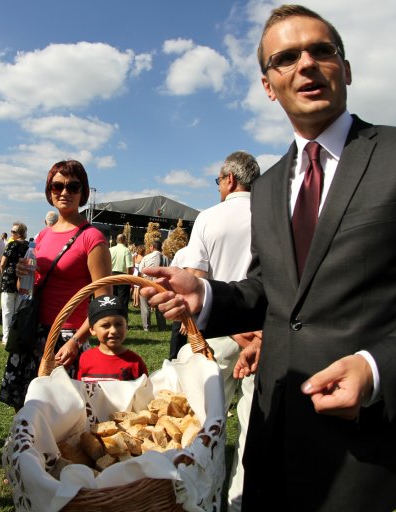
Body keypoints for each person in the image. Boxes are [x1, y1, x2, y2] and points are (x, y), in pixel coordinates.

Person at [140, 5, 396, 511]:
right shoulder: (265, 188)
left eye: (321, 50)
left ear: (345, 69)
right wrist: (209, 296)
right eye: (285, 58)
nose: (305, 64)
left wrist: (377, 368)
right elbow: (273, 291)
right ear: (268, 85)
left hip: (361, 442)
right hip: (270, 431)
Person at [178, 150, 260, 511]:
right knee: (252, 428)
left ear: (229, 179)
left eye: (217, 182)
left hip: (216, 333)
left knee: (203, 423)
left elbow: (194, 282)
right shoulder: (276, 216)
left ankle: (201, 500)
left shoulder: (209, 218)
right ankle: (240, 502)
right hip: (264, 335)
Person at [0, 160, 111, 411]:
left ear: (83, 192)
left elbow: (105, 300)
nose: (64, 192)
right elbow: (28, 290)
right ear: (49, 191)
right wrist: (21, 277)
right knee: (29, 410)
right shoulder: (43, 236)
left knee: (63, 417)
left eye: (73, 186)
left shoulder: (91, 237)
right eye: (57, 186)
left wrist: (77, 342)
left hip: (68, 338)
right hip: (35, 333)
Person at [77, 294, 147, 382]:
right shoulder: (85, 358)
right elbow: (81, 389)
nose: (113, 330)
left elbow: (144, 392)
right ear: (92, 330)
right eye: (105, 325)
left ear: (126, 326)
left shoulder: (135, 361)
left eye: (119, 324)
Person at [0, 222, 29, 346]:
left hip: (9, 278)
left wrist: (3, 274)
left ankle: (6, 337)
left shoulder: (12, 244)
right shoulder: (29, 246)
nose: (11, 233)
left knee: (7, 310)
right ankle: (15, 334)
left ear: (19, 233)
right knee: (17, 310)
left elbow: (2, 263)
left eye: (13, 231)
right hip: (23, 279)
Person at [138, 240, 168, 332]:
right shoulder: (166, 258)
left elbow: (140, 270)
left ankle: (146, 327)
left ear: (152, 247)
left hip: (147, 280)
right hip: (161, 282)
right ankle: (162, 326)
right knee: (160, 304)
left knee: (144, 304)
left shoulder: (146, 257)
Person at [109, 234, 133, 311]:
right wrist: (129, 279)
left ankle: (112, 315)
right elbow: (129, 266)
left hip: (111, 275)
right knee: (123, 300)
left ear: (116, 240)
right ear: (125, 241)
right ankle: (122, 318)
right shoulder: (126, 250)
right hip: (123, 276)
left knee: (112, 299)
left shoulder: (110, 249)